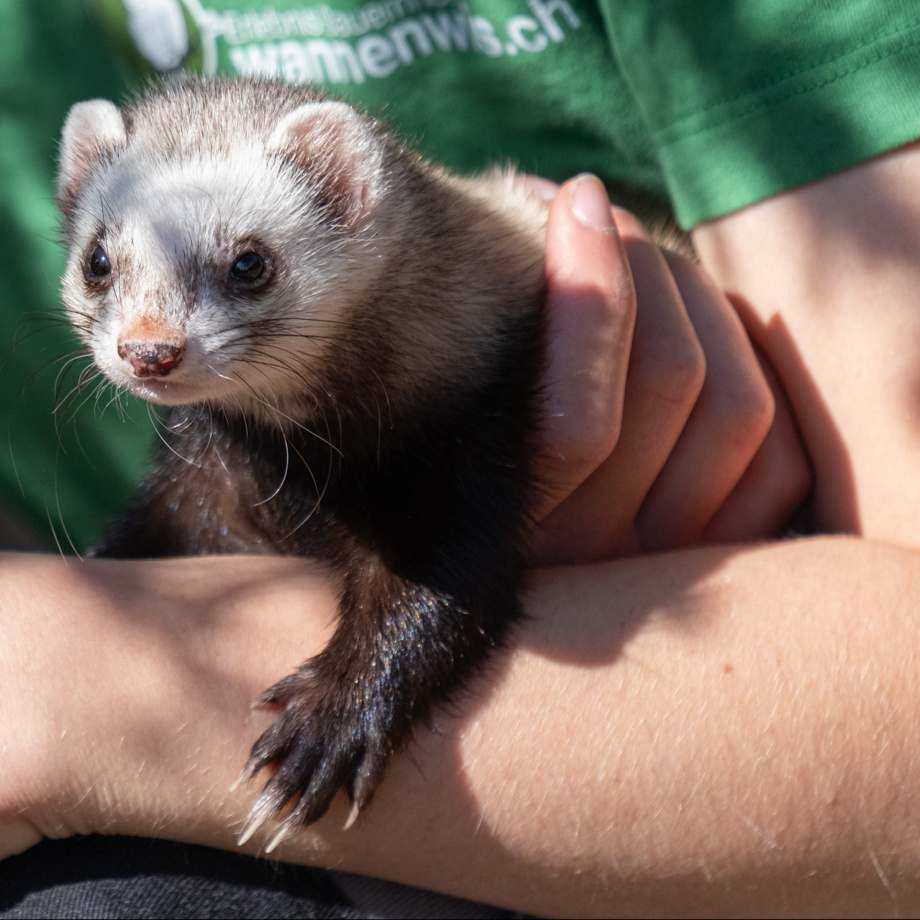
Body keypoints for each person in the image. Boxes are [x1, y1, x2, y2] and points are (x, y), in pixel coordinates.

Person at [3, 0, 920, 916]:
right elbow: (194, 516)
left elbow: (438, 565)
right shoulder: (234, 402)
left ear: (344, 203)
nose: (146, 337)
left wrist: (71, 673)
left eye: (246, 270)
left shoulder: (448, 375)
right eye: (102, 273)